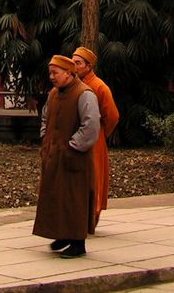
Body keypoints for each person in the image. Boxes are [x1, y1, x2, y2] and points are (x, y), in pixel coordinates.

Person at [32, 54, 100, 258]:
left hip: (74, 157)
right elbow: (45, 117)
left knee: (73, 199)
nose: (52, 77)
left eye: (56, 73)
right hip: (53, 155)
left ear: (69, 73)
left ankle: (78, 242)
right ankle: (61, 234)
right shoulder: (53, 94)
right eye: (50, 73)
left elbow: (91, 125)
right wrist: (45, 139)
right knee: (55, 196)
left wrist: (73, 146)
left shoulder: (84, 94)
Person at [73, 46, 120, 226]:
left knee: (94, 176)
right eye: (73, 62)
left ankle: (92, 216)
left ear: (89, 66)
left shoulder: (99, 87)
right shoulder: (74, 85)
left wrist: (100, 132)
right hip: (77, 137)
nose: (74, 66)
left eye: (78, 63)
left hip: (95, 138)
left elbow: (112, 116)